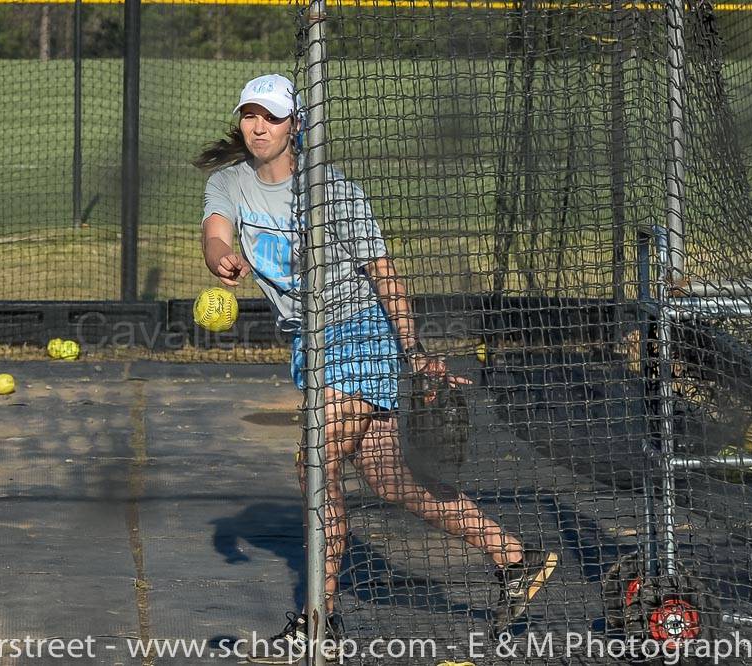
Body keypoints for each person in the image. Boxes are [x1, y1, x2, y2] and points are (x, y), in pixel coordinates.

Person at [195, 73, 557, 664]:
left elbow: (383, 275)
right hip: (310, 345)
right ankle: (514, 557)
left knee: (316, 464)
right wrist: (221, 258)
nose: (258, 127)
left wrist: (413, 353)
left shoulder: (332, 191)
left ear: (296, 126)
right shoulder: (229, 183)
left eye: (272, 117)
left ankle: (320, 620)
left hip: (361, 333)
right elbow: (215, 233)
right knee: (392, 483)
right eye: (250, 115)